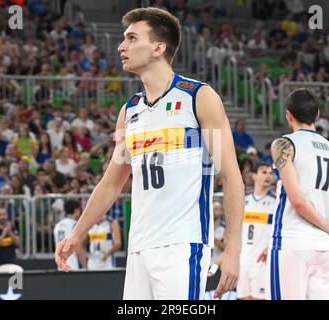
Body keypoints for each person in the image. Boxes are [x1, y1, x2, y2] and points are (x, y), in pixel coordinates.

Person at [55, 7, 244, 300]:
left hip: (183, 245)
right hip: (139, 248)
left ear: (158, 47)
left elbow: (232, 178)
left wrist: (232, 250)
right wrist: (77, 233)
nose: (121, 46)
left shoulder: (198, 97)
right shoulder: (129, 111)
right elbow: (111, 184)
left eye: (131, 38)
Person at [266, 88, 329, 300]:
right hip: (326, 248)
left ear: (288, 115)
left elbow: (298, 202)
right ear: (317, 115)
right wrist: (328, 228)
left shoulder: (284, 144)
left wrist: (328, 227)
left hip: (293, 241)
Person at [237, 162, 276, 300]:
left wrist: (269, 247)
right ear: (254, 176)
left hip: (262, 260)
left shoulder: (275, 202)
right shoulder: (243, 200)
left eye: (270, 173)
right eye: (264, 172)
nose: (268, 176)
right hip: (242, 260)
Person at [54, 200, 87, 271]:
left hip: (60, 266)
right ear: (76, 210)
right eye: (79, 209)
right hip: (72, 266)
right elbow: (79, 250)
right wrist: (86, 267)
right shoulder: (75, 225)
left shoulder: (57, 225)